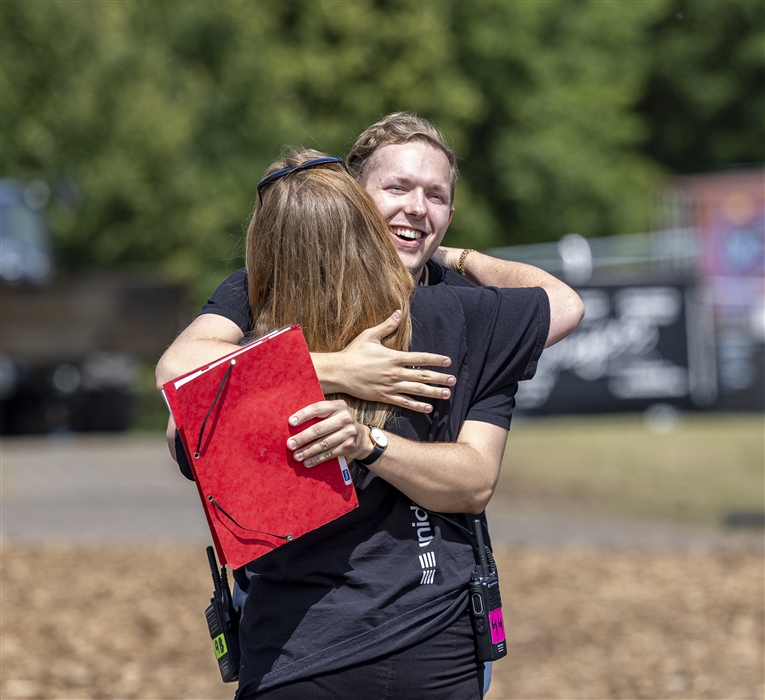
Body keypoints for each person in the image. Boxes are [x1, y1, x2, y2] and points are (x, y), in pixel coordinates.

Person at [155, 113, 583, 697]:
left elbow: (474, 479)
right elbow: (178, 378)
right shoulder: (260, 291)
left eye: (437, 196)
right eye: (398, 188)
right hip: (296, 646)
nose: (418, 207)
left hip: (428, 636)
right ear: (354, 200)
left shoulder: (465, 312)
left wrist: (456, 260)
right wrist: (336, 369)